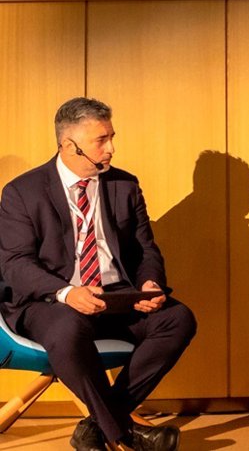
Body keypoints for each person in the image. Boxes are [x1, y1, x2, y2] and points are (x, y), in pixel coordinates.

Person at [0, 98, 196, 451]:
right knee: (67, 327)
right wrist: (67, 292)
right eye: (101, 140)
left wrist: (149, 283)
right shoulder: (22, 192)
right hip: (50, 302)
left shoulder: (125, 185)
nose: (111, 149)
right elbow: (15, 263)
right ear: (69, 146)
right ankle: (121, 434)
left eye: (111, 137)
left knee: (178, 319)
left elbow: (145, 249)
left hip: (114, 296)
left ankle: (98, 425)